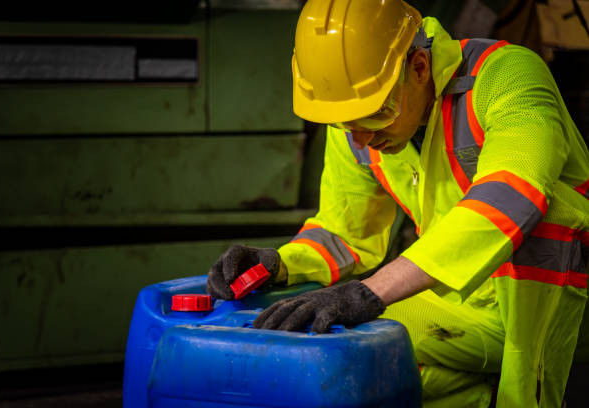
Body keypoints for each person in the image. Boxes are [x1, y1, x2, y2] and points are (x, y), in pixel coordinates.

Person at [206, 0, 589, 406]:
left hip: (545, 296)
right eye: (343, 125)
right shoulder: (356, 119)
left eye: (376, 115)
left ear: (420, 67)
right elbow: (344, 232)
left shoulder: (506, 75)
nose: (362, 139)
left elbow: (512, 199)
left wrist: (369, 293)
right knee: (353, 358)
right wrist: (281, 264)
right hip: (455, 298)